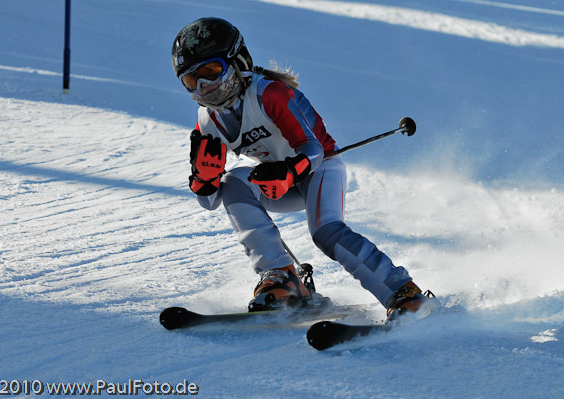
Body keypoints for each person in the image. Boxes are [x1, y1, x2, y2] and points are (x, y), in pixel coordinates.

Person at [171, 17, 431, 318]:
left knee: (326, 232)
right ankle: (281, 276)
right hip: (277, 181)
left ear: (237, 61)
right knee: (231, 182)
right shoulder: (208, 122)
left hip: (320, 169)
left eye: (211, 72)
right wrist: (204, 179)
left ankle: (402, 291)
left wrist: (290, 172)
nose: (204, 87)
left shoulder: (270, 95)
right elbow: (210, 201)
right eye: (192, 80)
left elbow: (313, 149)